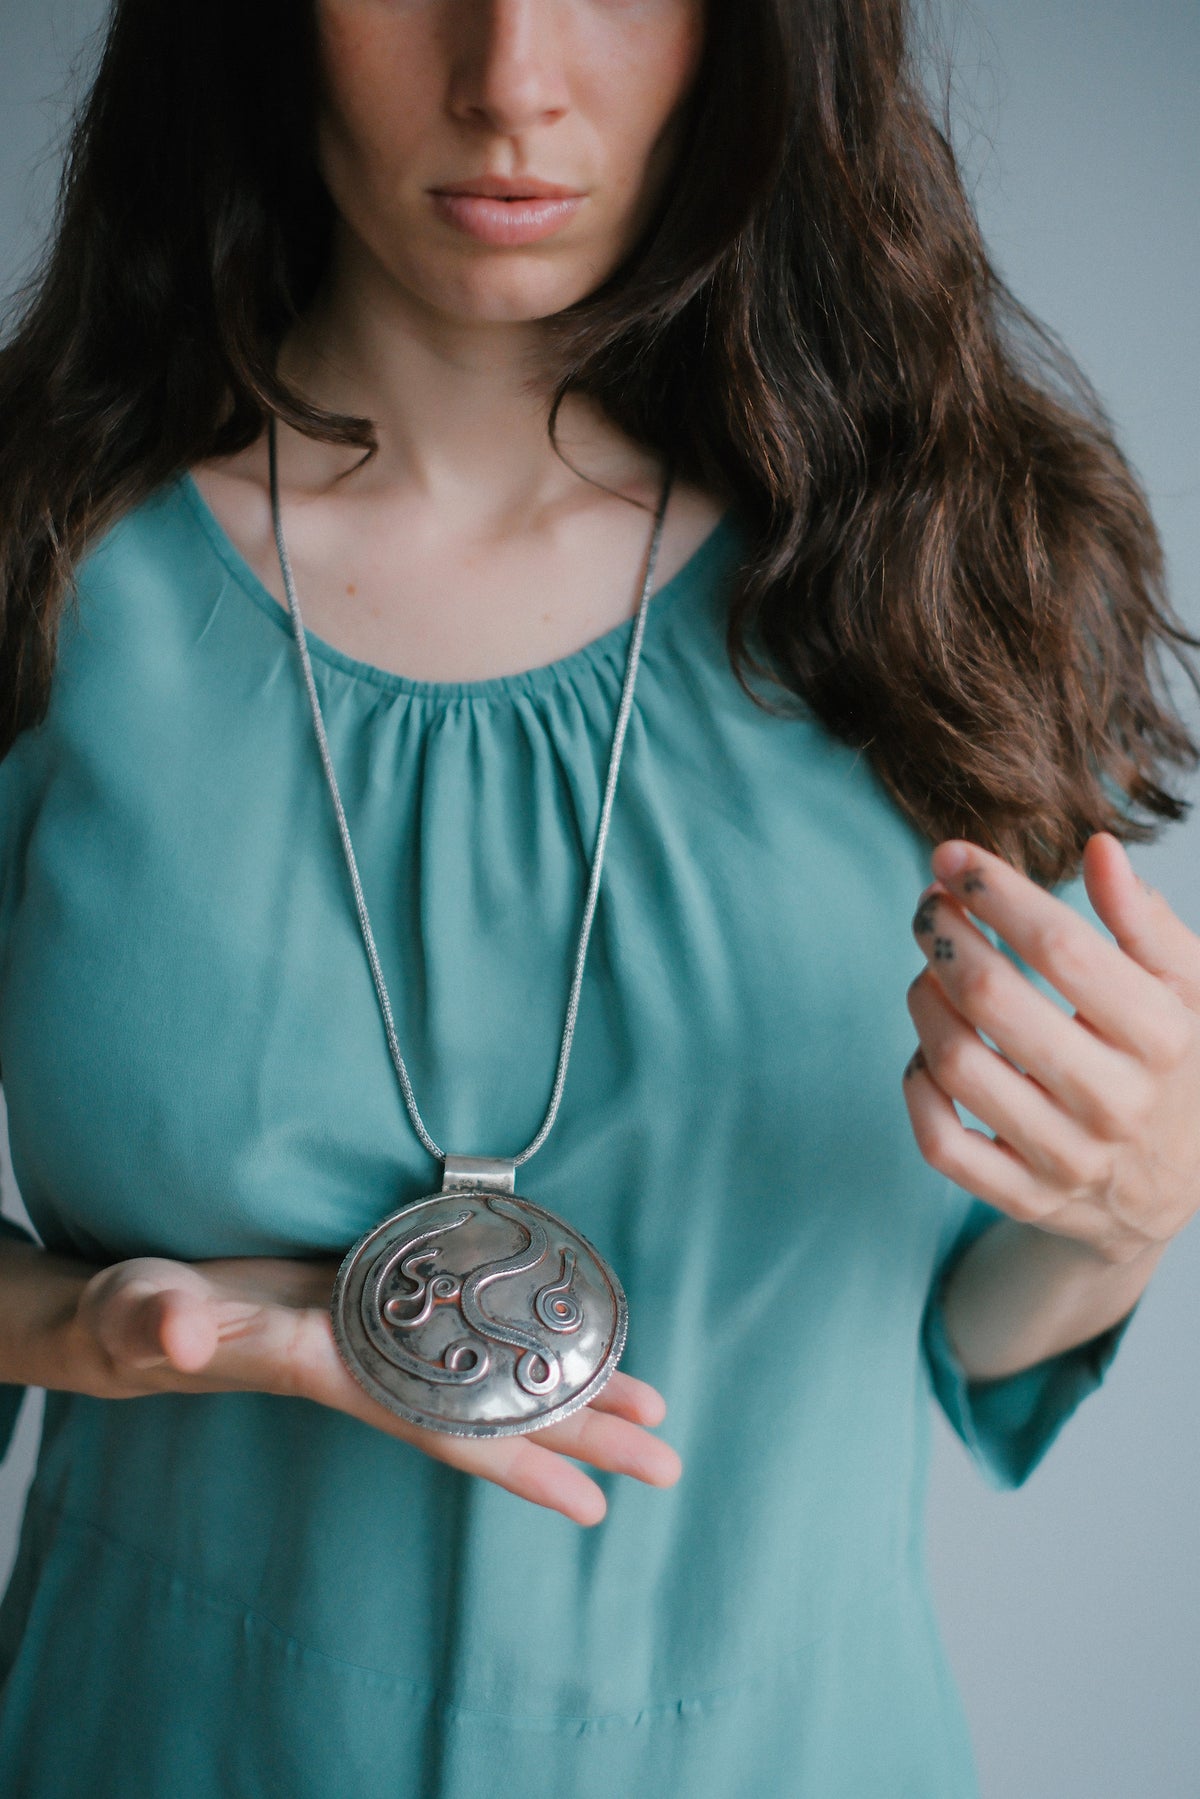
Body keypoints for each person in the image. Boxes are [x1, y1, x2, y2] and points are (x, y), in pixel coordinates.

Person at [0, 1, 1197, 1793]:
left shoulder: (944, 569)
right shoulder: (40, 566)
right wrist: (87, 1334)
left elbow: (937, 1327)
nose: (512, 79)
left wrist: (1132, 1206)